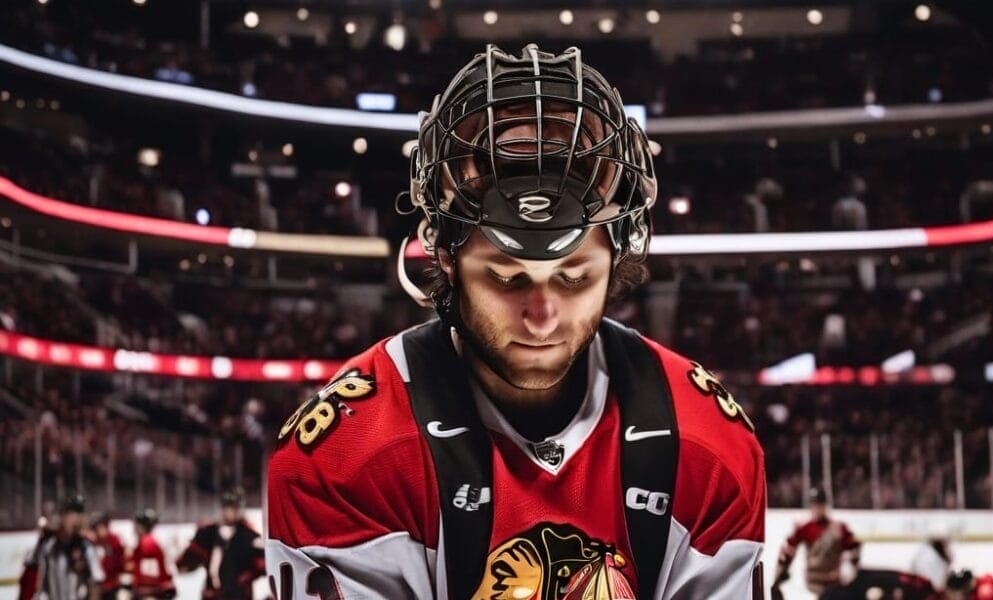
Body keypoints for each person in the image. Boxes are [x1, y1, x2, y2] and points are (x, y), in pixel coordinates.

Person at [266, 44, 765, 599]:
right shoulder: (348, 454)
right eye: (507, 278)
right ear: (447, 257)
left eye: (574, 277)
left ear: (617, 260)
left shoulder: (707, 444)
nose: (542, 316)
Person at [176, 488, 265, 599]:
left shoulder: (250, 536)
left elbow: (262, 565)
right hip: (213, 593)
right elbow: (187, 561)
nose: (233, 512)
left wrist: (248, 575)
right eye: (230, 507)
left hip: (239, 594)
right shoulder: (208, 532)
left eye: (236, 507)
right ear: (223, 508)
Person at [774, 487, 860, 597]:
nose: (817, 509)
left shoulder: (838, 528)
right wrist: (779, 575)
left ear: (825, 506)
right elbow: (788, 549)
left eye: (820, 505)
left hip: (834, 581)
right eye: (814, 505)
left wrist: (852, 569)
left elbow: (854, 548)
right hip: (813, 581)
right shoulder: (805, 528)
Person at [33, 494, 105, 600]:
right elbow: (42, 584)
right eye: (72, 513)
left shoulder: (85, 547)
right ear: (62, 516)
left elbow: (96, 581)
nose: (76, 519)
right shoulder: (49, 546)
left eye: (79, 513)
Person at [129, 509, 175, 599]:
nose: (134, 529)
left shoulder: (147, 543)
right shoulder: (147, 541)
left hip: (151, 593)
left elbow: (150, 576)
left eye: (136, 525)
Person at [89, 512, 125, 600]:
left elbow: (118, 563)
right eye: (95, 528)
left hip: (110, 586)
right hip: (94, 586)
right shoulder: (91, 542)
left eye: (99, 527)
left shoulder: (114, 540)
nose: (97, 531)